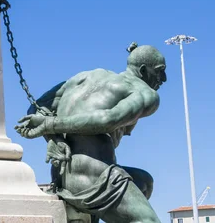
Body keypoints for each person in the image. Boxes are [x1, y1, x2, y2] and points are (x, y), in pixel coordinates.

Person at [16, 43, 167, 223]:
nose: (163, 78)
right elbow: (107, 120)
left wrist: (54, 138)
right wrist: (50, 126)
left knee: (144, 182)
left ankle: (88, 215)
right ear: (143, 70)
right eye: (160, 71)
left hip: (62, 176)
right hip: (95, 177)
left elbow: (34, 109)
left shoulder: (83, 78)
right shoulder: (145, 93)